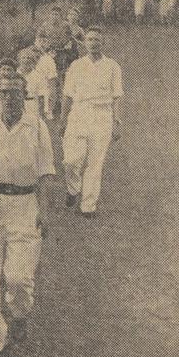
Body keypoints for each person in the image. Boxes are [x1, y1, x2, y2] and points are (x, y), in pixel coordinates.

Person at [0, 74, 55, 355]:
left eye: (15, 93)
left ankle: (19, 314)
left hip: (24, 204)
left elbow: (45, 174)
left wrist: (45, 210)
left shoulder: (37, 127)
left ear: (25, 95)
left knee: (18, 277)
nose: (9, 98)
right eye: (4, 93)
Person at [60, 26, 124, 218]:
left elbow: (117, 96)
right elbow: (67, 95)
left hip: (102, 115)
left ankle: (88, 206)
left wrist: (117, 121)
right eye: (89, 40)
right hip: (79, 113)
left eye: (97, 40)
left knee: (95, 163)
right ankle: (73, 189)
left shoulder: (113, 66)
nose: (93, 43)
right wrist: (63, 120)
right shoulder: (77, 65)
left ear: (102, 43)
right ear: (84, 42)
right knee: (71, 160)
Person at [33, 33, 58, 119]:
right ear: (35, 42)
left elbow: (52, 82)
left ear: (48, 44)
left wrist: (50, 108)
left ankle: (47, 111)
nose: (42, 44)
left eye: (44, 41)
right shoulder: (29, 56)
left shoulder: (49, 60)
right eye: (39, 41)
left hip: (43, 89)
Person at [17, 48, 47, 118]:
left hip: (32, 106)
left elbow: (41, 97)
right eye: (23, 57)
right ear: (19, 60)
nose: (26, 60)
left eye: (28, 58)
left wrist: (41, 114)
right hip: (17, 105)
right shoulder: (15, 75)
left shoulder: (38, 76)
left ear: (32, 61)